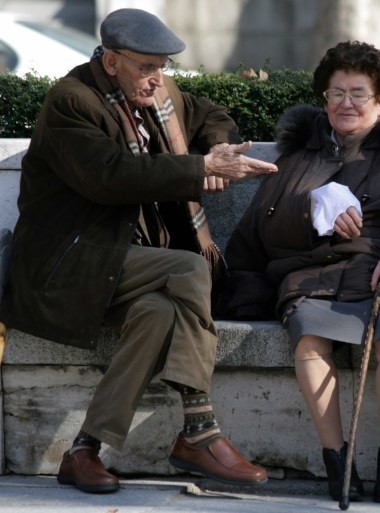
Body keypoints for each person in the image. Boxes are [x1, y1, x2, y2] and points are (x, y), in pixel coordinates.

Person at [0, 8, 278, 494]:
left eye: (162, 67)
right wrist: (197, 168)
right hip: (68, 263)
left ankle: (84, 449)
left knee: (156, 312)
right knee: (190, 268)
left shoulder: (156, 94)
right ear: (111, 62)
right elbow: (110, 178)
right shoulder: (71, 102)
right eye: (146, 67)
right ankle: (199, 430)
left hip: (128, 264)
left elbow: (212, 115)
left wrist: (217, 153)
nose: (157, 79)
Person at [221, 41, 380, 503]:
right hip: (312, 275)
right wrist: (312, 212)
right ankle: (336, 461)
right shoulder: (301, 156)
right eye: (336, 92)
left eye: (359, 93)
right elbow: (261, 228)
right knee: (308, 336)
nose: (346, 103)